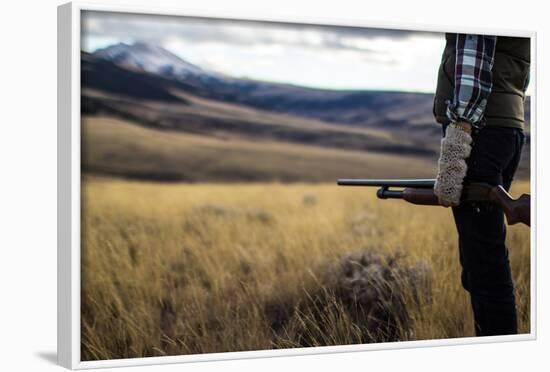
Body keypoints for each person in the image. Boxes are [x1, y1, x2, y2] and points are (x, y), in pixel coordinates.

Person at [432, 34, 530, 336]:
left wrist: (459, 134)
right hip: (505, 126)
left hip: (479, 128)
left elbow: (474, 50)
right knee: (480, 263)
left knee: (485, 268)